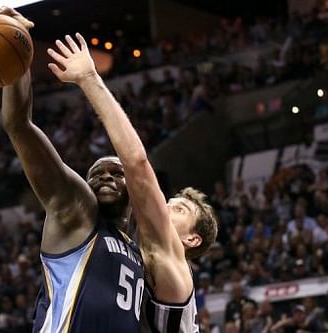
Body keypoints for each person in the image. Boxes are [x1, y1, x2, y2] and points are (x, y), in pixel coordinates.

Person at [47, 33, 218, 332]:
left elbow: (137, 164)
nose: (164, 208)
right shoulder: (136, 260)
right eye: (170, 202)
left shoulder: (170, 259)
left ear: (191, 240)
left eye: (178, 210)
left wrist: (89, 78)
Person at [0, 8, 144, 333]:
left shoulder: (141, 249)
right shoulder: (78, 210)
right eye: (96, 173)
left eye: (116, 173)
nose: (104, 176)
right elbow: (18, 126)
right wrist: (17, 55)